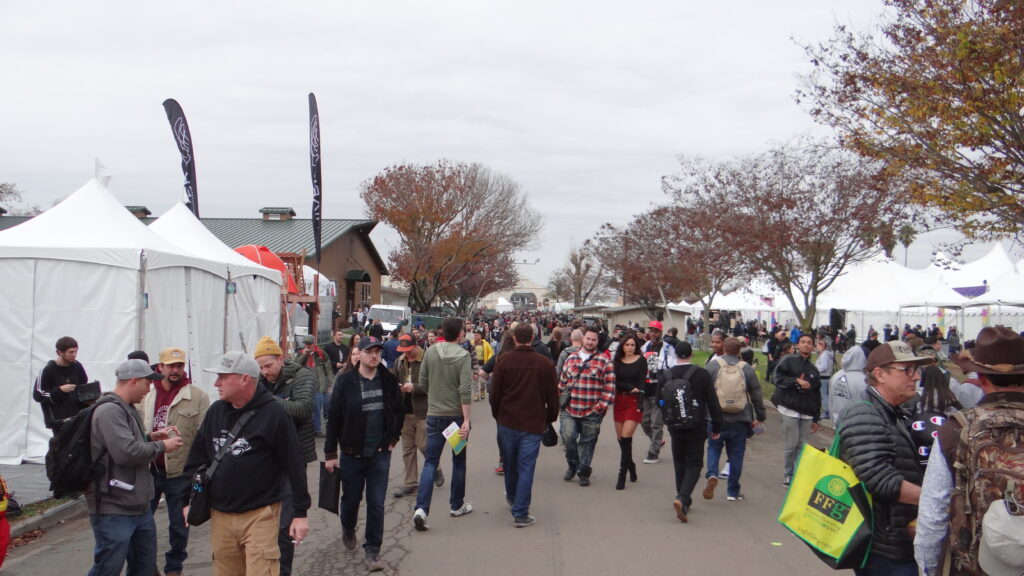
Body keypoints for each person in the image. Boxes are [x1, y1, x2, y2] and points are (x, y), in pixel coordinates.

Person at [184, 351, 311, 576]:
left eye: (223, 377)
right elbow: (196, 458)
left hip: (260, 515)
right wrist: (187, 499)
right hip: (220, 515)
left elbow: (294, 464)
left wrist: (300, 513)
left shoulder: (274, 414)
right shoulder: (215, 411)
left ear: (244, 379)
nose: (216, 383)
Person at [915, 326, 1024, 576]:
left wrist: (927, 568)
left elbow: (933, 514)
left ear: (982, 379)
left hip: (973, 565)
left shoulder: (957, 428)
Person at [838, 341, 933, 576]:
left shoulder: (892, 411)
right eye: (907, 371)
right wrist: (937, 502)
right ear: (880, 374)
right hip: (884, 547)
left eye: (916, 370)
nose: (916, 377)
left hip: (897, 542)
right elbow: (879, 479)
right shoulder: (864, 412)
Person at [87, 360, 183, 576]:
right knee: (108, 568)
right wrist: (161, 446)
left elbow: (124, 443)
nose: (149, 388)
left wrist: (149, 437)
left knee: (144, 567)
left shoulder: (126, 408)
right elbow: (126, 452)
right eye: (147, 383)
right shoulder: (109, 411)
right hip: (114, 506)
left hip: (137, 505)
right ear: (133, 381)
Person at [324, 337, 404, 572]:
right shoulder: (346, 381)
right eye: (370, 351)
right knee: (350, 500)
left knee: (376, 503)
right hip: (351, 453)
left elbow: (398, 411)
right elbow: (334, 417)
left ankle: (373, 550)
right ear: (359, 353)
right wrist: (330, 452)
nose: (374, 356)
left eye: (378, 351)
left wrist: (393, 438)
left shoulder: (388, 379)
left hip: (379, 454)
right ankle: (348, 527)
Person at [140, 347, 210, 576]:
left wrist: (199, 470)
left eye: (180, 366)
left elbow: (203, 436)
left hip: (180, 472)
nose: (176, 370)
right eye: (171, 366)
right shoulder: (147, 394)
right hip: (149, 469)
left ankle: (174, 569)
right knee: (141, 525)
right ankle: (149, 568)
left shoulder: (197, 396)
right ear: (160, 367)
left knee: (179, 526)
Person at [254, 336, 316, 576]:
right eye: (259, 367)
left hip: (293, 457)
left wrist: (266, 401)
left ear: (281, 358)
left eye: (268, 365)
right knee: (262, 524)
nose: (264, 371)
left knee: (285, 525)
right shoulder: (260, 380)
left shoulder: (302, 376)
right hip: (264, 459)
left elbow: (303, 409)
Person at [489, 323, 559, 528]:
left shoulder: (502, 361)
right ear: (532, 338)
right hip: (533, 422)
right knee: (526, 466)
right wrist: (550, 419)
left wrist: (497, 415)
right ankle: (520, 511)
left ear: (515, 339)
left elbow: (495, 394)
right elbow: (552, 397)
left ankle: (513, 498)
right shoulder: (545, 364)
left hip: (507, 421)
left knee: (510, 464)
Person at [412, 318, 473, 531]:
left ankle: (421, 509)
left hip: (435, 415)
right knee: (458, 460)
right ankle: (456, 505)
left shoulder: (430, 352)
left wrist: (434, 398)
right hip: (455, 418)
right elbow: (465, 388)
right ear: (459, 334)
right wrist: (466, 419)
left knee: (431, 461)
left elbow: (423, 381)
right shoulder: (464, 356)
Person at [659, 340, 723, 523]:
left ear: (676, 355)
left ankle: (683, 499)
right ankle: (683, 497)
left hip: (674, 426)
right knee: (694, 463)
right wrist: (717, 426)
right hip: (696, 425)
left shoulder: (667, 375)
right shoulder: (702, 375)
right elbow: (712, 402)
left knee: (679, 462)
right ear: (691, 354)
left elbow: (659, 400)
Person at [703, 336, 766, 502]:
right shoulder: (747, 369)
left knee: (714, 448)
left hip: (716, 418)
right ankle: (732, 491)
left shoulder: (713, 366)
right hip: (740, 419)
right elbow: (757, 394)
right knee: (736, 454)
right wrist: (760, 415)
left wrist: (703, 413)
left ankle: (712, 474)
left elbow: (703, 391)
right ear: (739, 351)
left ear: (723, 349)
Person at [559, 326, 616, 487]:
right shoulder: (571, 358)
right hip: (570, 408)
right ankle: (572, 464)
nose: (590, 342)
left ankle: (584, 471)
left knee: (587, 443)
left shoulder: (604, 361)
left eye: (594, 339)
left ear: (598, 341)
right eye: (588, 338)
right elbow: (562, 383)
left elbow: (610, 386)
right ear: (582, 339)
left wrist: (601, 406)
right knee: (568, 437)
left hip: (592, 410)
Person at [392, 333, 443, 498]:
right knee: (408, 449)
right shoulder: (399, 361)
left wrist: (414, 387)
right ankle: (411, 483)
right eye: (403, 350)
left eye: (408, 349)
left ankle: (435, 467)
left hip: (423, 411)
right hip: (404, 412)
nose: (406, 353)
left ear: (415, 345)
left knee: (423, 445)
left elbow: (434, 383)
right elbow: (393, 378)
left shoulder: (427, 359)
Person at [771, 333, 822, 486]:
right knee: (791, 445)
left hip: (806, 411)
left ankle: (799, 475)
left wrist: (816, 418)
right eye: (803, 342)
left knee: (802, 446)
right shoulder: (789, 361)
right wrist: (796, 381)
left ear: (813, 347)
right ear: (797, 345)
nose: (806, 345)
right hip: (790, 408)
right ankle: (788, 474)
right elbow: (777, 379)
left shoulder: (814, 370)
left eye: (809, 343)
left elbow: (816, 394)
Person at [612, 331, 648, 489]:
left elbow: (642, 385)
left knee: (626, 437)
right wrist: (627, 387)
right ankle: (631, 466)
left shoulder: (642, 360)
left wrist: (640, 405)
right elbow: (615, 382)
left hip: (634, 402)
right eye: (627, 344)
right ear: (622, 345)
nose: (630, 347)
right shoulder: (617, 360)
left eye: (633, 345)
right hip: (620, 400)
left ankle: (622, 475)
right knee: (621, 439)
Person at [34, 335, 90, 433]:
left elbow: (83, 387)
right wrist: (60, 390)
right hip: (58, 421)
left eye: (76, 351)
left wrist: (89, 398)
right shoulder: (47, 369)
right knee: (61, 447)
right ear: (60, 352)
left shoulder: (78, 366)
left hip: (77, 418)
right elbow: (38, 395)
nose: (74, 355)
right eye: (71, 352)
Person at [640, 320, 671, 465]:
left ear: (661, 332)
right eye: (651, 331)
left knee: (656, 423)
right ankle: (657, 440)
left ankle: (654, 452)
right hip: (646, 389)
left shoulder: (668, 348)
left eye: (655, 331)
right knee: (644, 421)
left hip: (660, 391)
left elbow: (671, 367)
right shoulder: (645, 347)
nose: (652, 334)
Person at [295, 334, 334, 438]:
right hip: (304, 387)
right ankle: (304, 430)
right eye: (306, 344)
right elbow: (295, 366)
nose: (308, 346)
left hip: (318, 386)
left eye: (310, 344)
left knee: (318, 409)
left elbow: (328, 369)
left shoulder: (321, 353)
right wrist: (304, 355)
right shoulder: (300, 353)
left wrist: (330, 384)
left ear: (314, 343)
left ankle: (317, 429)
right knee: (304, 409)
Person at [828, 343, 868, 427]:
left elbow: (831, 401)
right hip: (855, 426)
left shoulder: (836, 376)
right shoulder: (864, 380)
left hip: (837, 423)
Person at [815, 338, 835, 419]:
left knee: (824, 395)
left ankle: (827, 412)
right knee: (825, 395)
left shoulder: (825, 354)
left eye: (818, 345)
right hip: (825, 378)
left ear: (822, 346)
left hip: (823, 378)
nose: (817, 346)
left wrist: (815, 368)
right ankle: (827, 411)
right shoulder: (825, 354)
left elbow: (824, 367)